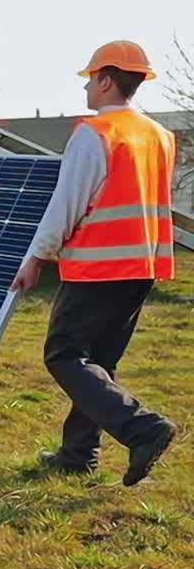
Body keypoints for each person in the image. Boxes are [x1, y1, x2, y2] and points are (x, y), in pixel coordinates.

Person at [11, 40, 176, 486]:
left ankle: (143, 427)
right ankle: (78, 454)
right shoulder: (159, 136)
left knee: (64, 355)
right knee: (99, 361)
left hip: (98, 265)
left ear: (105, 79)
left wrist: (37, 256)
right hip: (143, 265)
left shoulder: (95, 133)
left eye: (90, 79)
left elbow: (68, 204)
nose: (87, 89)